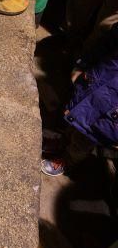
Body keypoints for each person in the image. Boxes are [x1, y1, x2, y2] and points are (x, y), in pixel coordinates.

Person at [41, 23, 118, 177]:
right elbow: (106, 43)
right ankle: (63, 141)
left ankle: (67, 159)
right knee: (74, 117)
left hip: (112, 111)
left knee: (86, 138)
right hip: (97, 83)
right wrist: (84, 63)